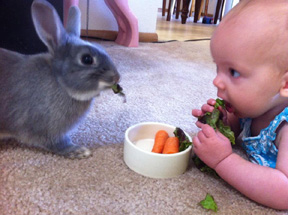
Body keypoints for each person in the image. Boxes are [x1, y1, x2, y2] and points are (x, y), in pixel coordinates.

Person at [192, 0, 288, 210]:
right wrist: (225, 123)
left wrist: (224, 160)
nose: (216, 81)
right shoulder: (255, 104)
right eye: (218, 68)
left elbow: (284, 193)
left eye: (234, 72)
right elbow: (240, 129)